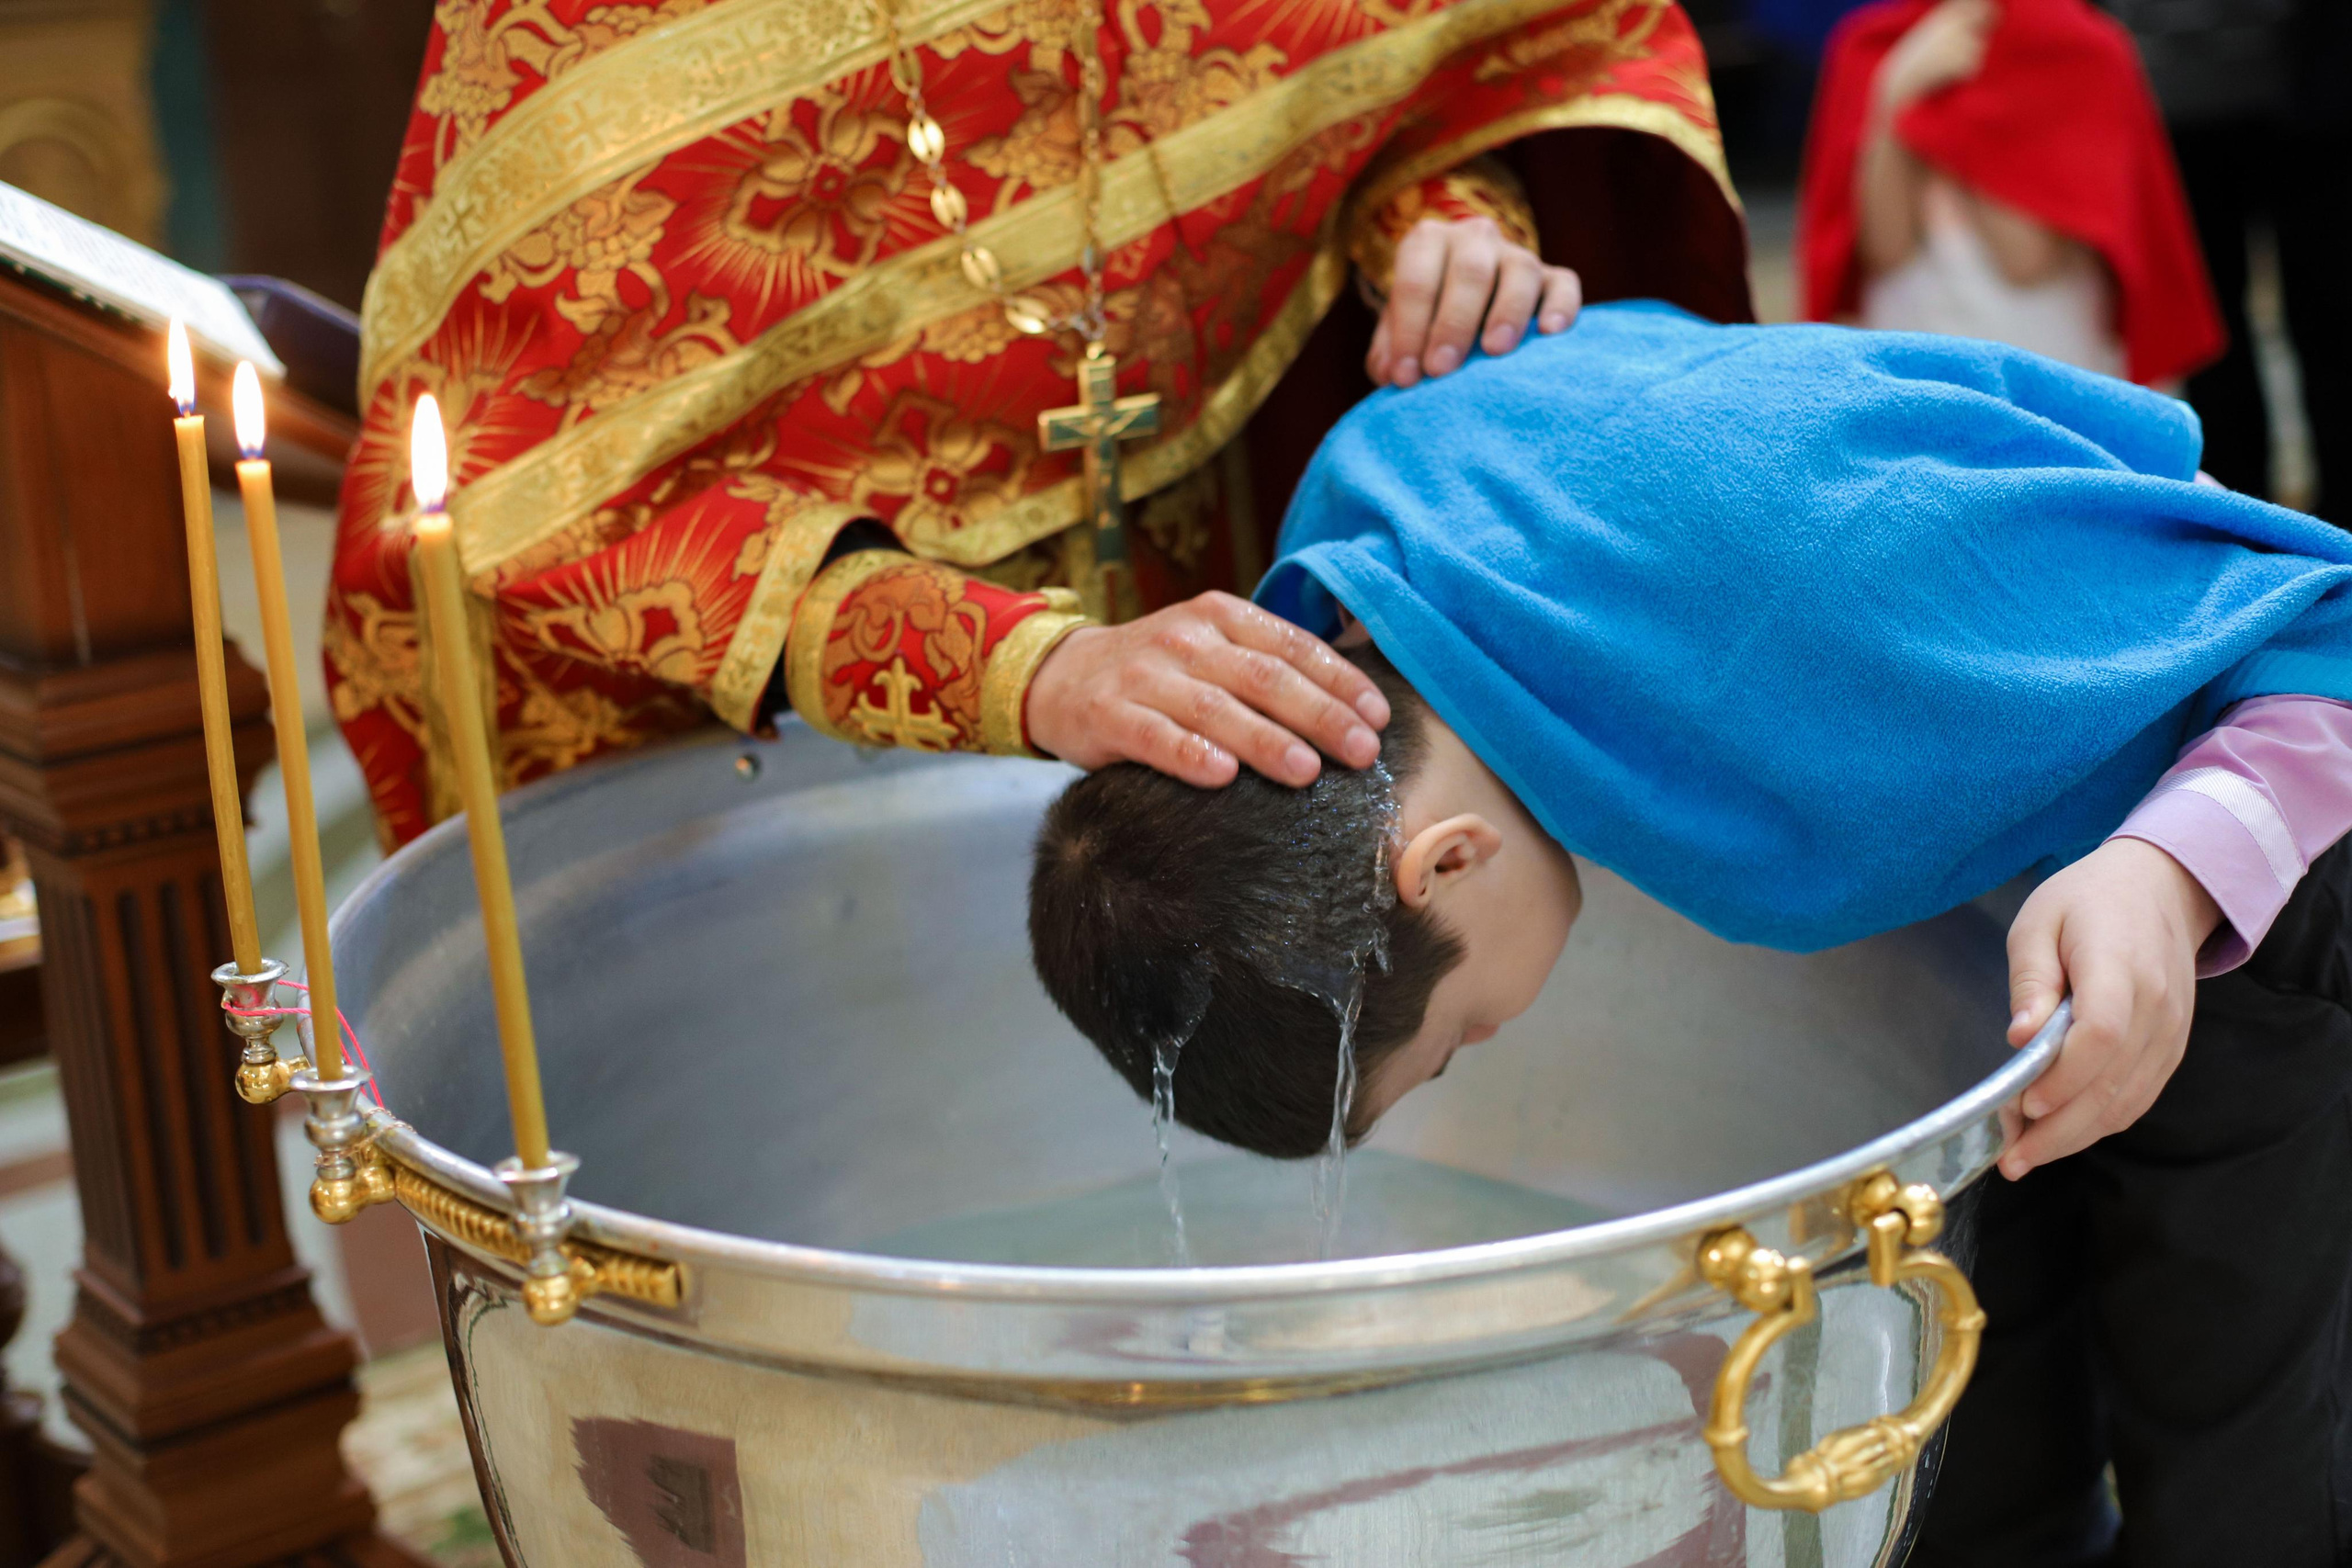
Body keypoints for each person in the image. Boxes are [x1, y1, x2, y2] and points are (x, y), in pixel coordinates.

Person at [1028, 300, 2352, 1566]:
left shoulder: (1808, 594)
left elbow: (2322, 616)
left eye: (1460, 1040)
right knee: (1983, 1453)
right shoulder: (1361, 552)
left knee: (2240, 1463)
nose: (1497, 1032)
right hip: (2013, 929)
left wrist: (2168, 869)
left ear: (1446, 863)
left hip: (2251, 870)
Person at [327, 0, 1753, 848]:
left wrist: (1448, 226)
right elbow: (535, 482)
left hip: (1250, 609)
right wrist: (1031, 671)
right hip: (816, 808)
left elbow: (1411, 74)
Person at [1796, 0, 2221, 387]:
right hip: (1918, 366)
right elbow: (1885, 248)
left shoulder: (2078, 48)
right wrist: (1896, 90)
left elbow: (2025, 260)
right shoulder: (1873, 45)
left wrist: (1958, 109)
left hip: (2041, 368)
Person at [2109, 0, 2349, 521]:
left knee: (2333, 319)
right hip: (2164, 95)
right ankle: (2241, 532)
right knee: (2207, 338)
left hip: (2317, 81)